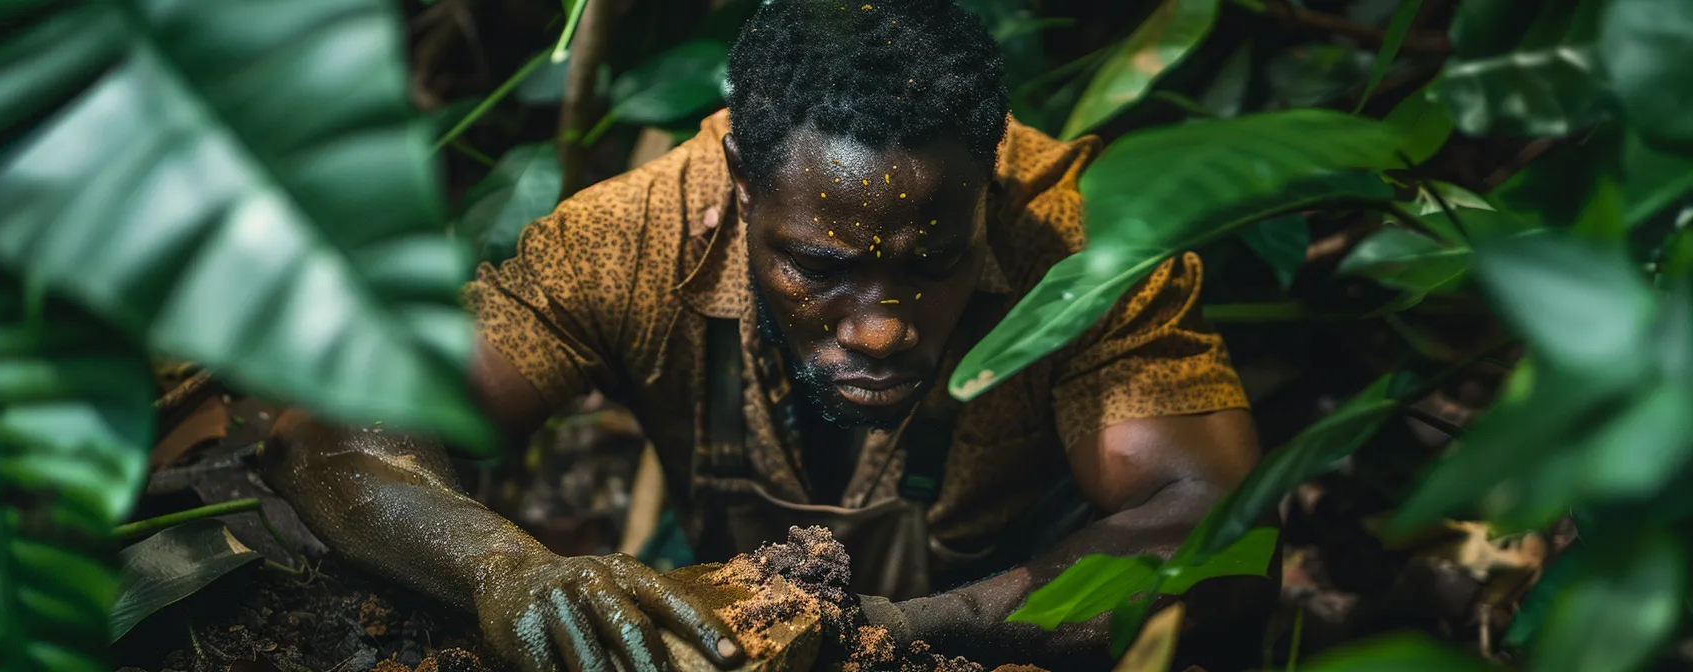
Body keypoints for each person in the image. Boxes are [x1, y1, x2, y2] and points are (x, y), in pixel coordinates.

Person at [262, 0, 1266, 669]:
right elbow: (340, 428)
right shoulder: (631, 234)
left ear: (989, 178)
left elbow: (1210, 520)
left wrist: (888, 635)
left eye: (929, 263)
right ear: (742, 183)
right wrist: (505, 567)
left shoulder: (1083, 242)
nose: (878, 331)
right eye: (820, 268)